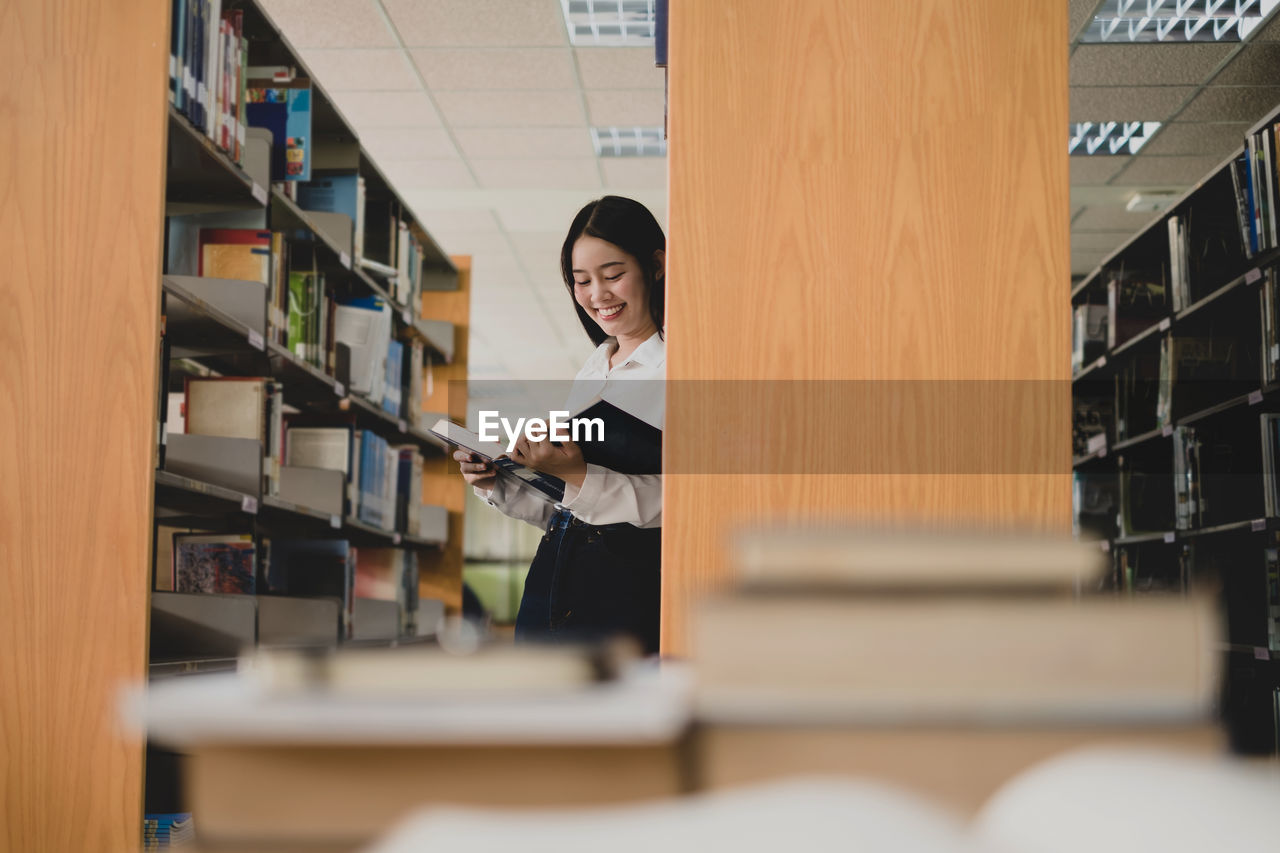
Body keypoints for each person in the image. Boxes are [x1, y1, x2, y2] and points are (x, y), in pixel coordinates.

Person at [455, 195, 665, 654]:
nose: (597, 295)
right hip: (552, 596)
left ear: (656, 265)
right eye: (581, 280)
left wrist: (577, 475)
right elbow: (570, 511)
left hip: (626, 606)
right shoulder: (595, 367)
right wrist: (501, 481)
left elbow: (687, 505)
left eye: (612, 276)